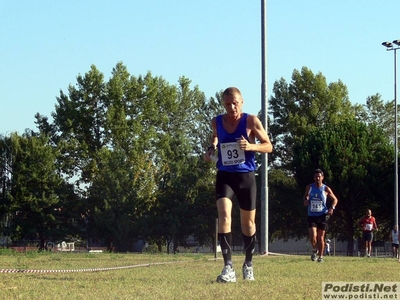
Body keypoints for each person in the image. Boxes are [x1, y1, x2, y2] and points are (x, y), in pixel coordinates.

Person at [204, 87, 273, 283]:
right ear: (223, 104)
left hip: (246, 177)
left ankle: (248, 264)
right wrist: (211, 149)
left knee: (248, 224)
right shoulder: (217, 121)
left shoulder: (250, 120)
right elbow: (215, 137)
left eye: (235, 103)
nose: (232, 107)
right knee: (224, 215)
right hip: (225, 175)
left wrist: (251, 146)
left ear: (241, 102)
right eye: (227, 104)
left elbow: (268, 145)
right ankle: (228, 267)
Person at [303, 169, 338, 263]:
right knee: (313, 236)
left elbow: (335, 199)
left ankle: (321, 257)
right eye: (316, 177)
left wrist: (332, 208)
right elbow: (305, 196)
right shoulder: (309, 187)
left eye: (319, 176)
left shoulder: (326, 189)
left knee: (321, 237)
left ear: (322, 178)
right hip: (311, 215)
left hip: (322, 215)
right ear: (314, 178)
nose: (317, 178)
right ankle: (315, 250)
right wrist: (306, 200)